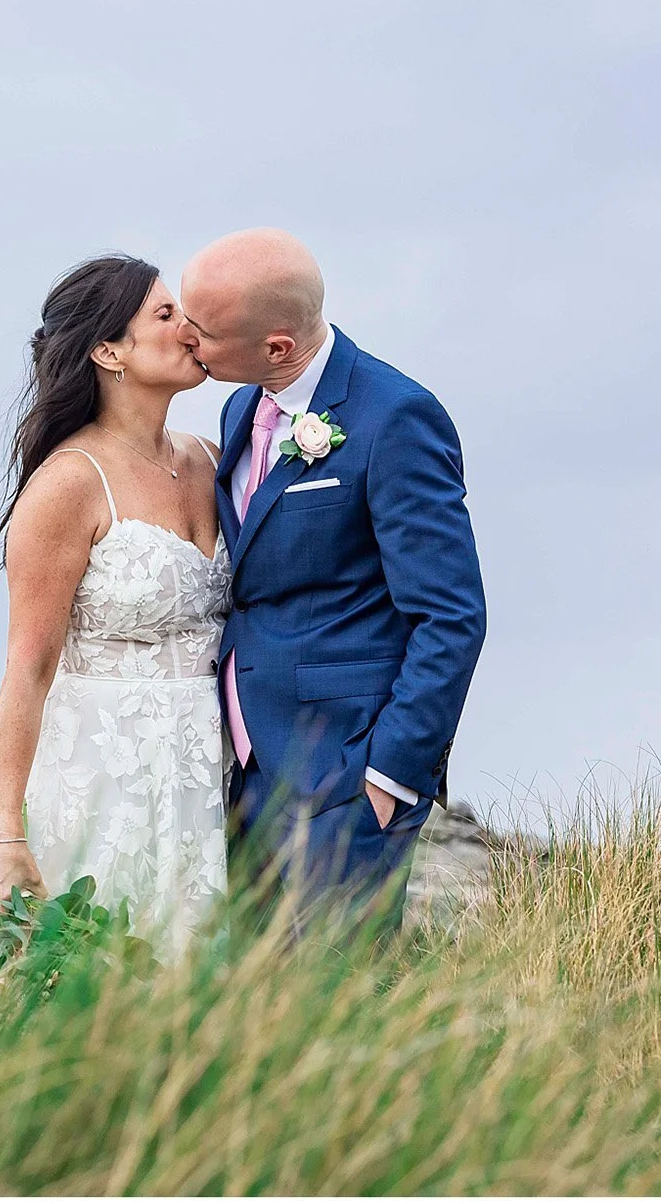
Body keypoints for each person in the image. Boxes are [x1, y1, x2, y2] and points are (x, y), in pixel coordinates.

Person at [178, 228, 486, 934]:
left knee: (335, 1005)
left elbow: (451, 615)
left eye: (204, 331)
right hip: (248, 771)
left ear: (277, 345)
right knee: (257, 1010)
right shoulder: (239, 407)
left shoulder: (395, 417)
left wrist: (388, 777)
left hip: (344, 775)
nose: (186, 339)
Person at [0, 254, 229, 979]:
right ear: (109, 352)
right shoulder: (68, 484)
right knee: (81, 976)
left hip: (204, 768)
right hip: (100, 772)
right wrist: (5, 830)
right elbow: (30, 663)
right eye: (165, 316)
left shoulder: (212, 461)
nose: (189, 328)